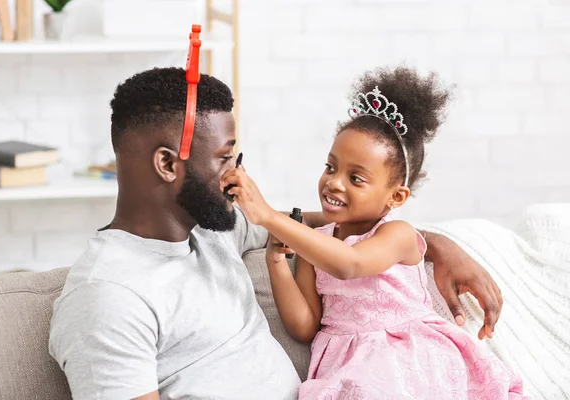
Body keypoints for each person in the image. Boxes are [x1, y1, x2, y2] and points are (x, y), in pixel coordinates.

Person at [49, 67, 504, 400]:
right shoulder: (108, 296)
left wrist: (439, 244)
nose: (237, 175)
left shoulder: (214, 228)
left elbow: (341, 234)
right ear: (168, 164)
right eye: (225, 158)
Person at [220, 66, 525, 399]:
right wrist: (276, 262)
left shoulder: (398, 235)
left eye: (356, 178)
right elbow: (305, 326)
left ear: (395, 197)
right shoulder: (317, 241)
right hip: (344, 364)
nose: (334, 182)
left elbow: (350, 264)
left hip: (408, 358)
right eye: (330, 167)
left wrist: (266, 215)